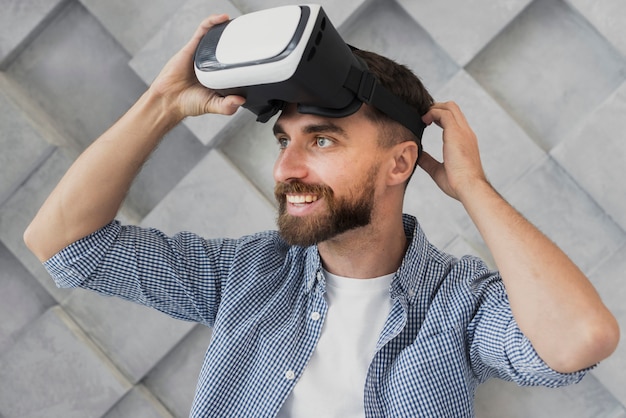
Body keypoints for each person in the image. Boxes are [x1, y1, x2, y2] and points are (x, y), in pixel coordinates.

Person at [24, 13, 619, 418]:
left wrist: (474, 189)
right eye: (284, 140)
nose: (287, 168)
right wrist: (161, 104)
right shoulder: (245, 276)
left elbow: (580, 339)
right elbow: (63, 242)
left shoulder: (458, 306)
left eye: (324, 141)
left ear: (399, 163)